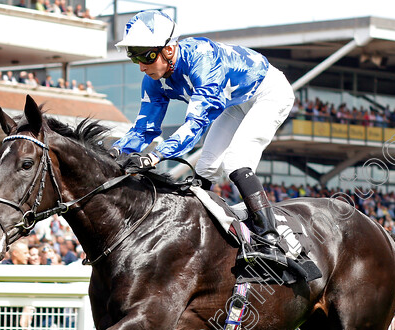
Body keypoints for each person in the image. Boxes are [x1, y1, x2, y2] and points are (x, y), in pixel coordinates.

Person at [110, 10, 296, 268]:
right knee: (206, 166)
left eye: (147, 56)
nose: (142, 66)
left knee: (235, 161)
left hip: (269, 92)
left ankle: (269, 239)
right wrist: (115, 153)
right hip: (235, 102)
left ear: (169, 50)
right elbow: (144, 128)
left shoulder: (203, 61)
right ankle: (199, 231)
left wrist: (156, 155)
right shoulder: (153, 80)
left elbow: (196, 123)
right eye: (135, 58)